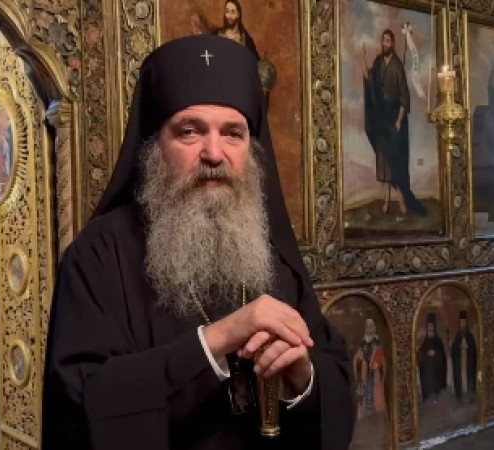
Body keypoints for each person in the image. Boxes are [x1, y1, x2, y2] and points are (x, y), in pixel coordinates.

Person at [42, 34, 354, 449]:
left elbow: (336, 383)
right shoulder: (99, 254)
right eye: (190, 132)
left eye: (233, 134)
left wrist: (302, 377)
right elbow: (78, 402)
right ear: (155, 146)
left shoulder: (269, 254)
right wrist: (217, 340)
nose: (214, 153)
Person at [363, 29, 427, 219]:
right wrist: (363, 59)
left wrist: (399, 121)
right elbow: (370, 80)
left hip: (394, 118)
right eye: (383, 40)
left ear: (393, 44)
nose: (385, 43)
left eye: (388, 40)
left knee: (397, 161)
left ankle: (401, 200)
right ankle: (386, 199)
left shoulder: (398, 66)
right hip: (381, 117)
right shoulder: (377, 63)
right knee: (383, 159)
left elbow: (404, 97)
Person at [353, 318, 387, 419]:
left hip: (374, 372)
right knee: (365, 393)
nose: (369, 328)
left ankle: (376, 414)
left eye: (370, 326)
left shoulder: (377, 342)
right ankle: (366, 414)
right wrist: (359, 358)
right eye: (367, 326)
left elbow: (381, 357)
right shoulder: (362, 343)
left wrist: (377, 364)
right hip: (364, 372)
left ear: (374, 328)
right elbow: (357, 357)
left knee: (375, 394)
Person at [417, 312, 447, 402]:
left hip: (436, 374)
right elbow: (420, 354)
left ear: (434, 327)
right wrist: (425, 354)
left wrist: (436, 354)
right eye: (429, 326)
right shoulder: (425, 342)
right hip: (427, 376)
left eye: (431, 326)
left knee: (436, 395)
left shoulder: (438, 341)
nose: (430, 328)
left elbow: (443, 357)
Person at [451, 310, 477, 404]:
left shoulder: (470, 337)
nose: (462, 324)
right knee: (460, 380)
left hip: (468, 365)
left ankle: (470, 399)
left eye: (464, 322)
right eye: (461, 322)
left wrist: (467, 348)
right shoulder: (458, 336)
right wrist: (458, 347)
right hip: (460, 366)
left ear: (466, 323)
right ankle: (460, 399)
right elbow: (454, 349)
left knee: (469, 381)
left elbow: (473, 351)